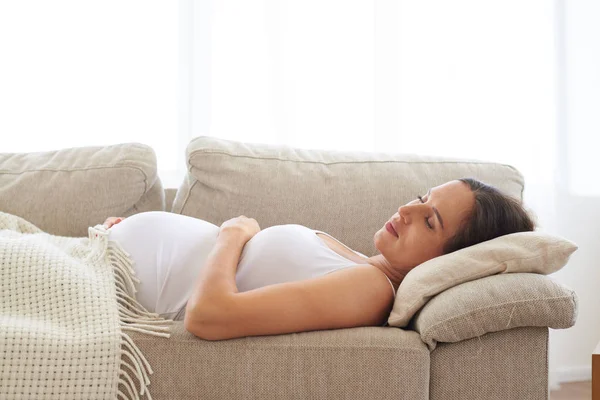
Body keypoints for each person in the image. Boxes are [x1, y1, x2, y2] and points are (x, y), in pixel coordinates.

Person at [103, 178, 536, 326]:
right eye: (421, 198)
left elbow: (209, 315)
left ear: (449, 259)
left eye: (430, 220)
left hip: (107, 288)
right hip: (103, 260)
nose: (407, 209)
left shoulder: (372, 289)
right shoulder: (363, 266)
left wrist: (231, 235)